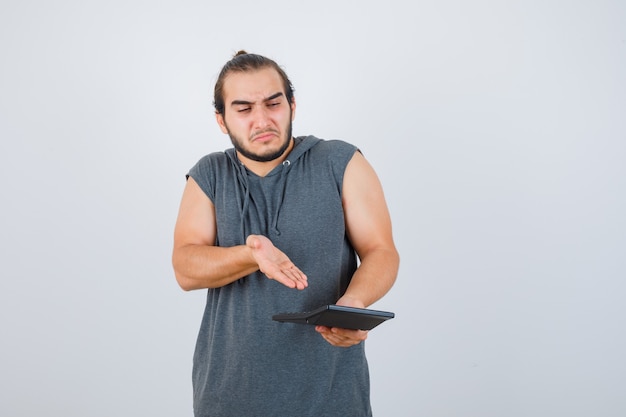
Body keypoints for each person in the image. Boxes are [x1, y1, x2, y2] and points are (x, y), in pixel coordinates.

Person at [172, 50, 399, 417]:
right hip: (228, 397)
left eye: (273, 103)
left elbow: (381, 251)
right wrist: (250, 255)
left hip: (332, 398)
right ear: (222, 120)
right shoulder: (209, 174)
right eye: (243, 109)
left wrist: (354, 303)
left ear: (292, 104)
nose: (262, 120)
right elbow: (185, 267)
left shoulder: (339, 161)